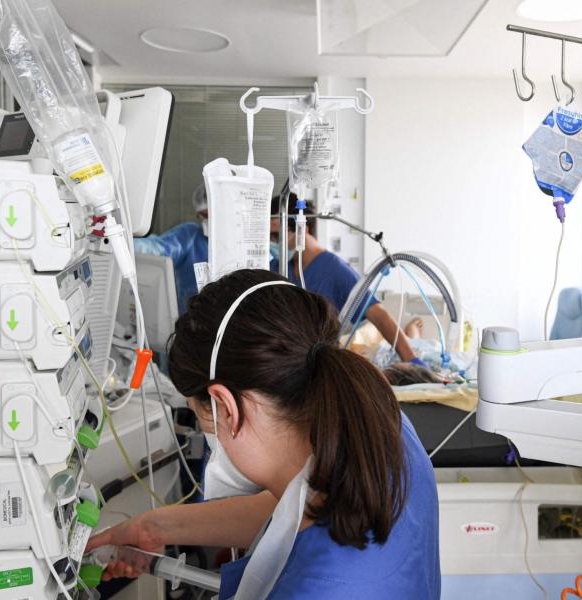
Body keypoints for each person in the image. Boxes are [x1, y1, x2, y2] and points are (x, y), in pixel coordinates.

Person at [86, 269, 440, 599]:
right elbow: (293, 509)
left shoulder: (318, 589)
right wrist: (155, 528)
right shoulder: (380, 427)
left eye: (202, 421)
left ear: (225, 406)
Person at [270, 195, 419, 363]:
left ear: (301, 230)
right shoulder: (278, 266)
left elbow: (379, 316)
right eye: (269, 237)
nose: (271, 243)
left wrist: (411, 359)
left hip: (319, 362)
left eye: (276, 236)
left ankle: (413, 334)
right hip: (285, 357)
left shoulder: (334, 269)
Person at [133, 184, 209, 314]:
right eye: (204, 215)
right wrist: (122, 242)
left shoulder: (248, 240)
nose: (209, 219)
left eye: (213, 213)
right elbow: (157, 248)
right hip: (191, 320)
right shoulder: (190, 235)